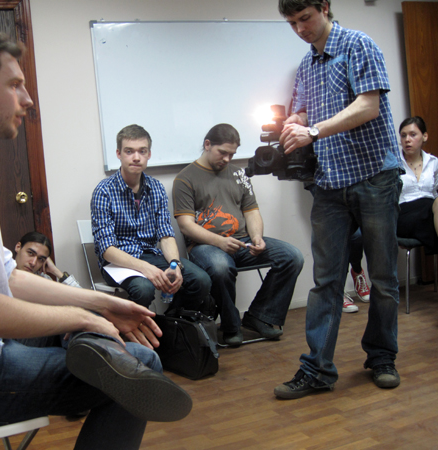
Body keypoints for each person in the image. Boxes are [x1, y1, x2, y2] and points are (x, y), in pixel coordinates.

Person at [0, 27, 192, 450]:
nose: (27, 99)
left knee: (108, 348)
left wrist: (101, 303)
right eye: (14, 85)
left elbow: (9, 277)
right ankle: (88, 339)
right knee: (139, 366)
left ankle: (88, 339)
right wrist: (85, 318)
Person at [275, 0, 403, 399]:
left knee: (383, 277)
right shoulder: (306, 66)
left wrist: (313, 131)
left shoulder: (357, 44)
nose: (300, 29)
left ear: (325, 7)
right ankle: (316, 370)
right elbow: (302, 113)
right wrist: (295, 122)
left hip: (374, 176)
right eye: (292, 23)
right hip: (329, 184)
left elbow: (368, 106)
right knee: (326, 282)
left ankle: (381, 357)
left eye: (305, 18)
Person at [172, 123, 304, 347]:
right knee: (220, 267)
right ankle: (231, 325)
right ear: (207, 145)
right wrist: (220, 241)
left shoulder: (238, 174)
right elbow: (186, 225)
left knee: (292, 256)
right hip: (205, 246)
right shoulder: (185, 179)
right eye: (222, 152)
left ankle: (260, 316)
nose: (227, 159)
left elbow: (251, 212)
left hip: (242, 242)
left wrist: (257, 237)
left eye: (231, 154)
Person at [91, 124, 212, 314]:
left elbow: (166, 235)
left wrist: (175, 265)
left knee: (200, 280)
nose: (136, 157)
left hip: (150, 255)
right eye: (129, 151)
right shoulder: (104, 191)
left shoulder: (156, 188)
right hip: (118, 262)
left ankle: (172, 323)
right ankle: (135, 332)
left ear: (149, 154)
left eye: (142, 151)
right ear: (118, 154)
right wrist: (145, 268)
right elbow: (107, 250)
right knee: (144, 289)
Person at [397, 116, 438, 250]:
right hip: (404, 214)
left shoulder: (434, 162)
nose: (407, 140)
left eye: (412, 135)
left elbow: (435, 193)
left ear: (424, 136)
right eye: (403, 135)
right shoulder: (394, 164)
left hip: (430, 213)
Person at [14, 231, 81, 287]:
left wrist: (55, 271)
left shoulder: (43, 280)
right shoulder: (7, 274)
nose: (33, 263)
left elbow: (82, 297)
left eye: (41, 259)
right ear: (18, 247)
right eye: (30, 253)